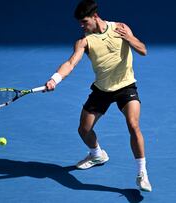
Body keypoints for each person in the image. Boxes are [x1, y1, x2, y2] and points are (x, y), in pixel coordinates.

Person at [45, 0, 152, 192]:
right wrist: (55, 79)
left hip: (126, 86)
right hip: (102, 90)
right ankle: (97, 155)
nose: (82, 25)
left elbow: (143, 50)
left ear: (95, 16)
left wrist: (129, 37)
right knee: (83, 130)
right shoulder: (84, 41)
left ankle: (142, 173)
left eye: (84, 21)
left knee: (133, 125)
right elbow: (70, 63)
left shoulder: (120, 28)